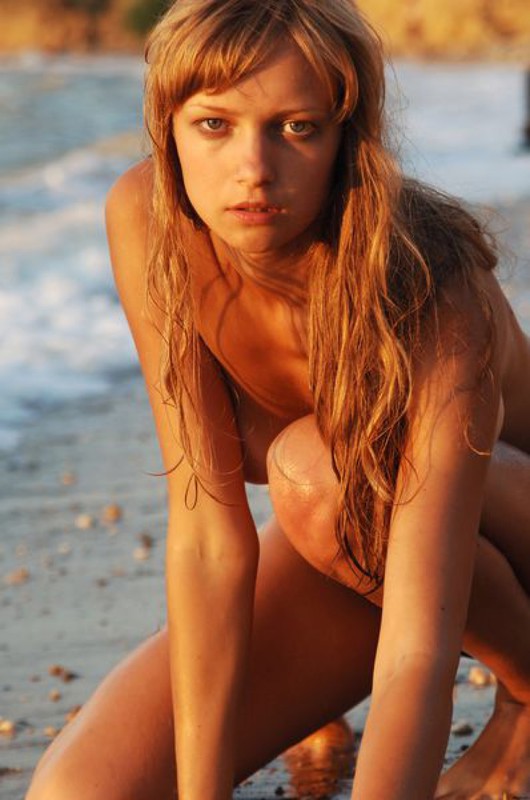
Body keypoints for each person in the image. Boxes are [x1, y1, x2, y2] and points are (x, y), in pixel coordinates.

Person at [26, 1, 530, 798]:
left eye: (297, 128)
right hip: (350, 551)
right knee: (81, 792)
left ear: (348, 139)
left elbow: (416, 649)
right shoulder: (150, 221)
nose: (253, 168)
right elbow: (208, 539)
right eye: (214, 125)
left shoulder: (432, 283)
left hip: (494, 539)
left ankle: (525, 694)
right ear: (166, 128)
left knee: (316, 470)